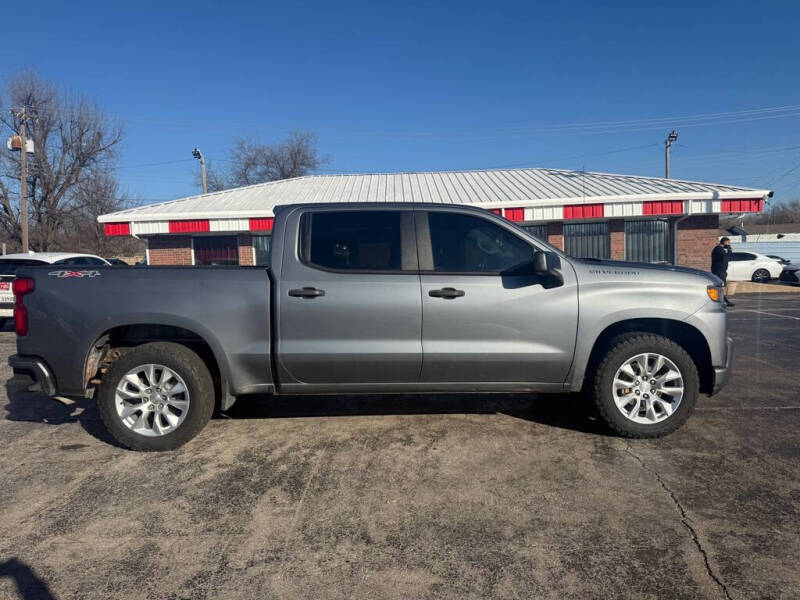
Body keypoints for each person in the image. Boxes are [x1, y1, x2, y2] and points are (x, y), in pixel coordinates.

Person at [711, 237, 734, 307]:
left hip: (722, 270)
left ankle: (724, 300)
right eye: (728, 243)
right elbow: (725, 258)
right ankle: (723, 300)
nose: (729, 244)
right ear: (724, 242)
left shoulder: (720, 249)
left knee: (723, 285)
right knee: (721, 286)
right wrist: (729, 251)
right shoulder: (718, 249)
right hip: (719, 270)